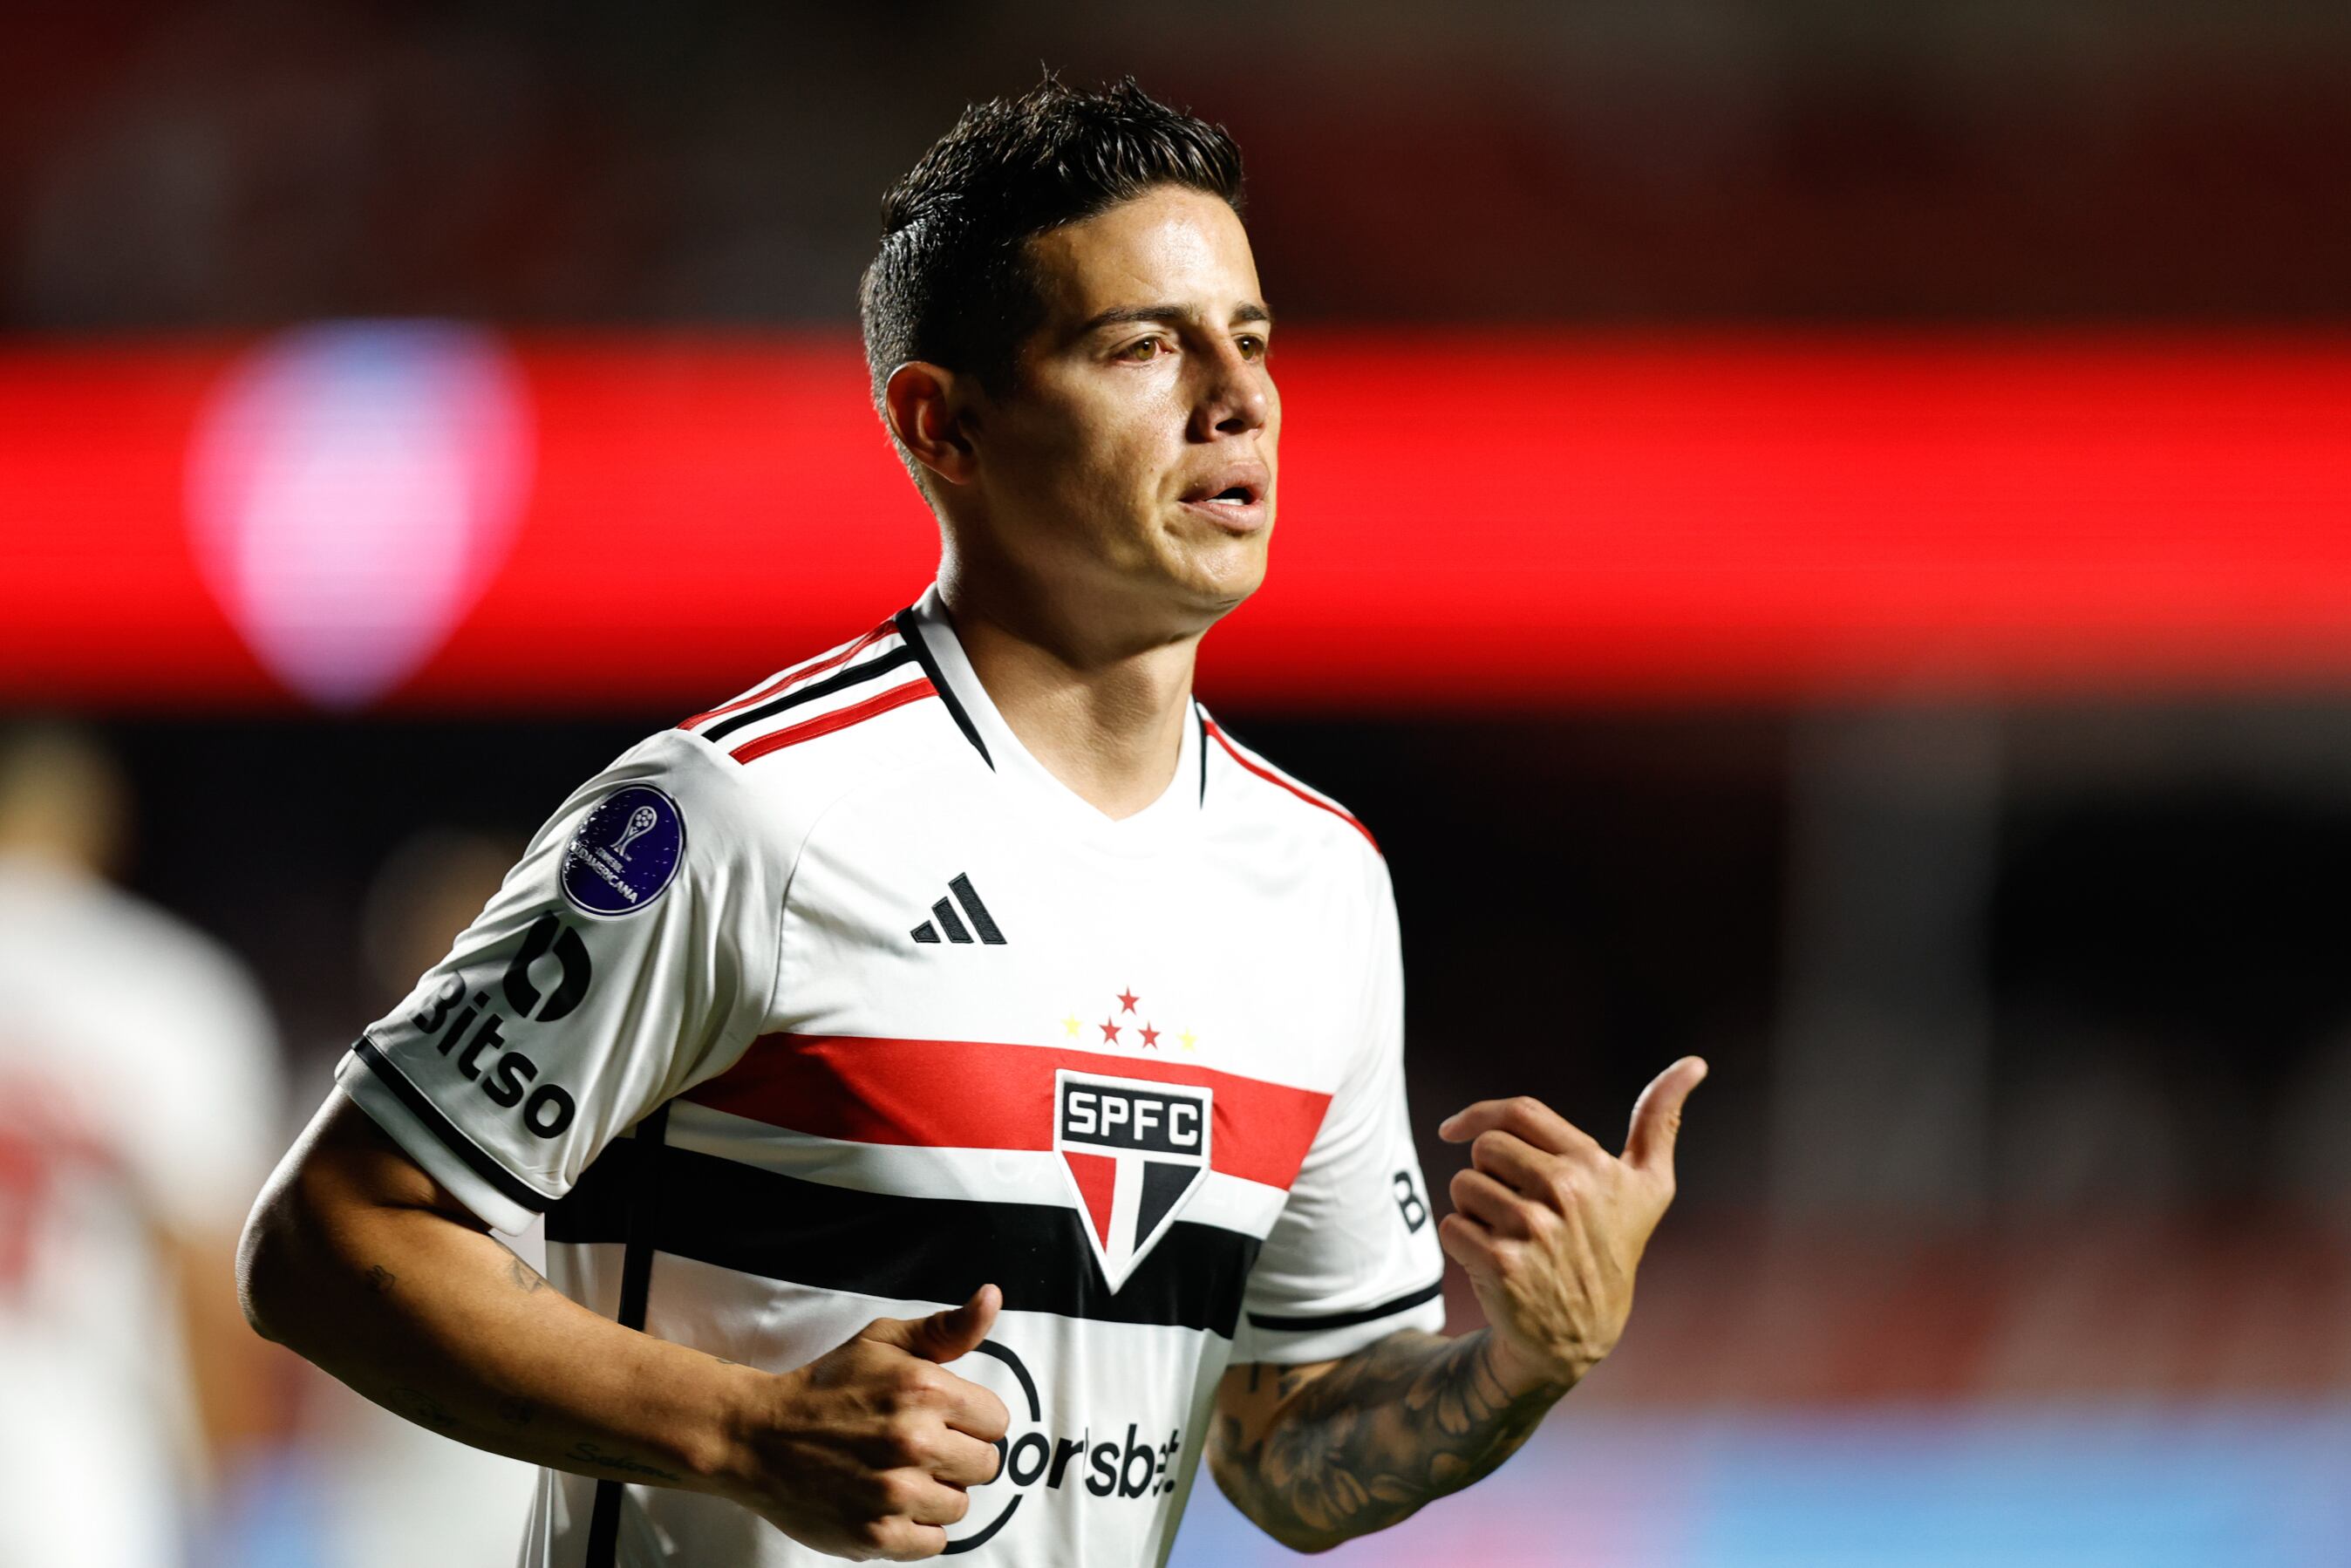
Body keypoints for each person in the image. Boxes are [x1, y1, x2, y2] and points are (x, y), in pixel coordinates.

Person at [238, 77, 1706, 1567]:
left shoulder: (1316, 882)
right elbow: (328, 1237)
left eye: (1250, 339)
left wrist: (1518, 1363)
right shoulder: (744, 813)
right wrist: (745, 1433)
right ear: (943, 423)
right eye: (1143, 342)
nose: (1235, 393)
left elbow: (1282, 1451)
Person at [0, 724, 283, 1568]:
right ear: (99, 826)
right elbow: (213, 1280)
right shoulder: (165, 988)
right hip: (81, 1465)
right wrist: (232, 1497)